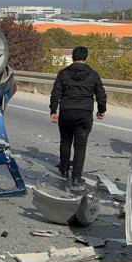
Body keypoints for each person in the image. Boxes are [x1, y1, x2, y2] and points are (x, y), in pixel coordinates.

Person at [49, 46, 107, 192]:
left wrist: (53, 110)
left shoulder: (63, 73)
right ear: (86, 58)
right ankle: (76, 177)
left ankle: (63, 170)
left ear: (72, 57)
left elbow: (56, 93)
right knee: (80, 147)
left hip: (66, 112)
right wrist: (101, 110)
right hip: (84, 114)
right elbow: (101, 95)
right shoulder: (93, 75)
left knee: (65, 142)